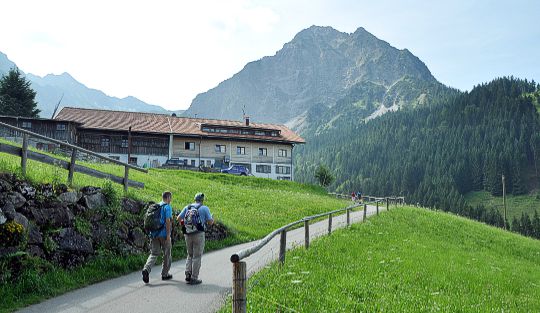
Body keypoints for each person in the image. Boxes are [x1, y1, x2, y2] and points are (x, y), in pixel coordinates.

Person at [177, 192, 214, 285]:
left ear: (194, 199)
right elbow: (210, 222)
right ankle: (194, 277)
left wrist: (185, 225)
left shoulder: (188, 207)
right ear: (202, 200)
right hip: (199, 234)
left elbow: (178, 218)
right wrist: (211, 219)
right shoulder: (205, 208)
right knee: (197, 256)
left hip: (188, 234)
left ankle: (187, 274)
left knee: (190, 255)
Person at [142, 191, 173, 284]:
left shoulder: (156, 206)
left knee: (154, 253)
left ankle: (146, 269)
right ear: (168, 198)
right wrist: (168, 235)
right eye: (170, 198)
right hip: (163, 234)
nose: (171, 200)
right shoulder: (167, 207)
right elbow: (168, 221)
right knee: (167, 254)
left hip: (154, 234)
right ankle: (165, 274)